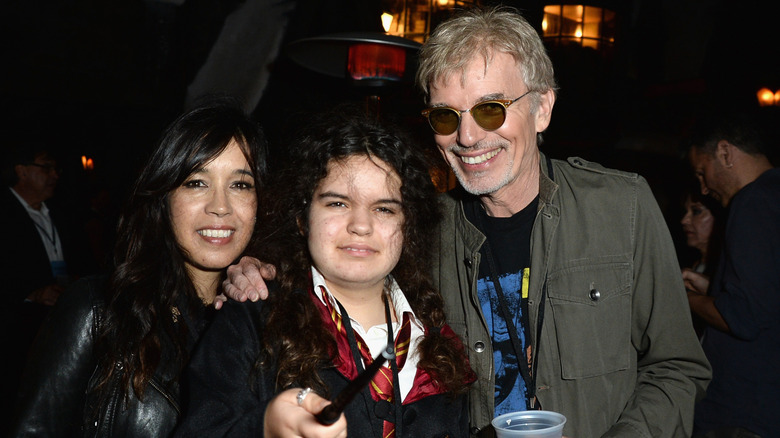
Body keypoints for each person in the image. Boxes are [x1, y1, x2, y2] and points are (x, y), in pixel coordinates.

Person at [223, 6, 712, 437]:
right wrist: (262, 269)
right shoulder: (424, 230)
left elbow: (676, 367)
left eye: (490, 109)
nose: (467, 136)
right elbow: (342, 270)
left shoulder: (622, 207)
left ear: (541, 108)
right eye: (445, 117)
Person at [175, 110, 474, 437]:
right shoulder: (251, 322)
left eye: (384, 208)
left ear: (407, 227)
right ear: (303, 218)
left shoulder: (439, 347)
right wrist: (263, 428)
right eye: (337, 204)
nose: (361, 225)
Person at [9, 99, 267, 437]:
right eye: (196, 182)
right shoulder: (96, 310)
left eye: (240, 184)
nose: (220, 207)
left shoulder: (267, 322)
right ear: (164, 197)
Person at [684, 112, 779, 437]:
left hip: (742, 414)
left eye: (702, 172)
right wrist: (709, 287)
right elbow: (766, 300)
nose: (704, 187)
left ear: (725, 153)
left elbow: (743, 316)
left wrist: (682, 296)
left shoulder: (751, 202)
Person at [0, 145, 93, 431]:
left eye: (56, 169)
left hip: (54, 323)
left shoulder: (60, 213)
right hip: (12, 331)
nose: (54, 175)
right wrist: (30, 293)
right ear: (21, 170)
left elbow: (82, 258)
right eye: (46, 167)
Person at [679, 181, 723, 339]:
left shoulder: (726, 270)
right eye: (685, 212)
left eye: (696, 211)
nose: (685, 220)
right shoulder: (694, 265)